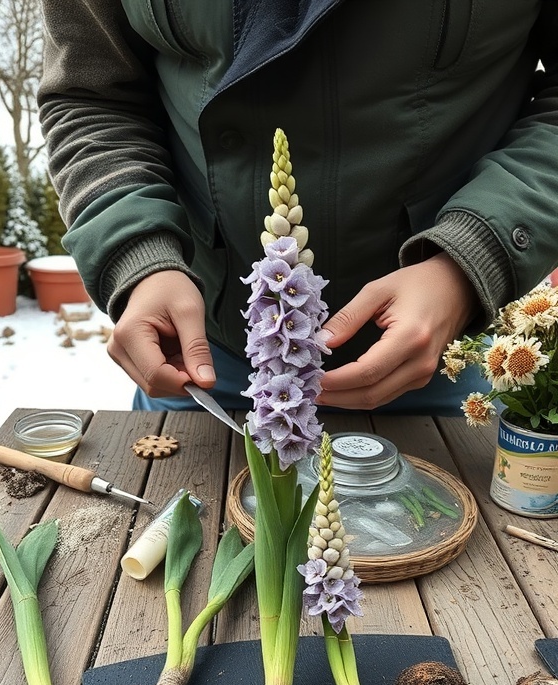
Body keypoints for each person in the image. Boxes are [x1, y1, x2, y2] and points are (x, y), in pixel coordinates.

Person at [37, 1, 558, 418]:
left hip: (440, 357)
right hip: (203, 362)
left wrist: (470, 260)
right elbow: (91, 94)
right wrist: (138, 255)